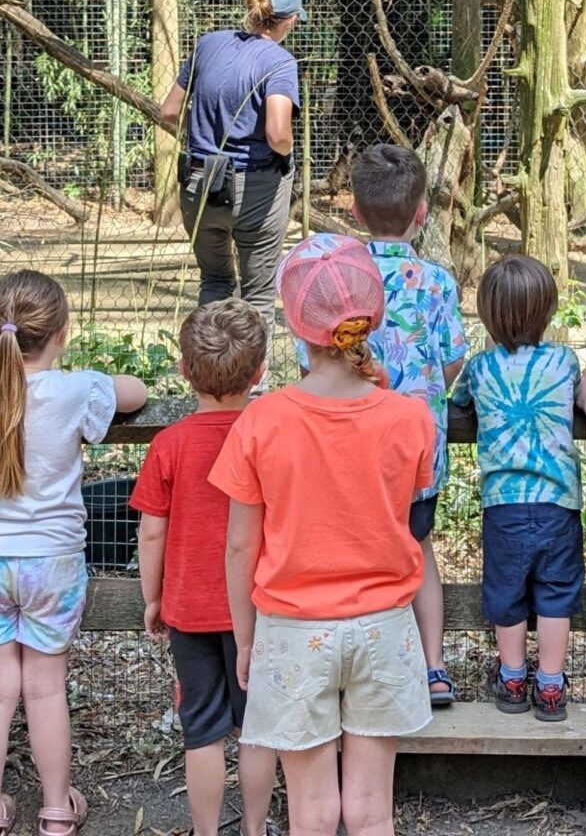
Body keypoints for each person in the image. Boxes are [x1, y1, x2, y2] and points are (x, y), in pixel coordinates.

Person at [213, 234, 436, 836]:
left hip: (292, 628)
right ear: (372, 316)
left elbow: (240, 545)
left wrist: (245, 637)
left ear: (294, 323)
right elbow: (403, 493)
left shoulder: (262, 420)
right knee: (371, 811)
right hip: (384, 626)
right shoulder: (409, 415)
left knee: (310, 812)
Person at [0, 272, 151, 836]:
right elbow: (135, 391)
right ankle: (57, 808)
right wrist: (93, 373)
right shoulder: (78, 387)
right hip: (51, 564)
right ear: (61, 333)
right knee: (45, 688)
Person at [131, 300, 281, 836]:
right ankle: (256, 828)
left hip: (189, 607)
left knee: (202, 730)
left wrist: (153, 596)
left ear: (184, 370)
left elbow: (152, 530)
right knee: (258, 727)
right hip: (260, 608)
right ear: (260, 371)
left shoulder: (169, 444)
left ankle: (206, 831)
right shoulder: (268, 434)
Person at [342, 143, 469, 708]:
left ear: (354, 209)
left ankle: (367, 672)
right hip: (418, 453)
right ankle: (433, 666)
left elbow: (308, 360)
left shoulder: (339, 277)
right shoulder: (438, 282)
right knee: (418, 550)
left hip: (349, 451)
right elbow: (450, 361)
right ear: (422, 211)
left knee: (359, 554)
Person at [452, 255, 586, 721]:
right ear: (549, 311)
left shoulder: (479, 368)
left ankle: (512, 677)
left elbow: (459, 404)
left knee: (505, 590)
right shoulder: (564, 360)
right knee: (556, 591)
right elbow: (579, 393)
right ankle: (551, 684)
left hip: (504, 505)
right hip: (558, 503)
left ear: (489, 316)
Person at [160, 0, 304, 305]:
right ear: (290, 21)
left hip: (199, 183)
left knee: (214, 281)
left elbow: (169, 112)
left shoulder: (208, 44)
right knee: (258, 296)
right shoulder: (279, 61)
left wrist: (201, 135)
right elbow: (278, 134)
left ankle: (208, 357)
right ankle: (256, 359)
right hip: (252, 188)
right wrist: (288, 152)